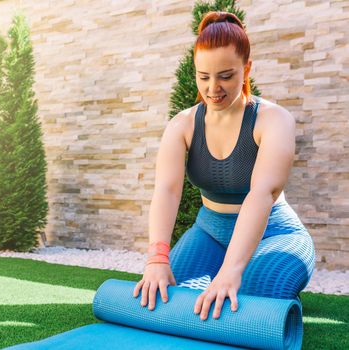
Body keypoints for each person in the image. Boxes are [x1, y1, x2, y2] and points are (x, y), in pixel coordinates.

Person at [132, 11, 315, 321]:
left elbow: (262, 193)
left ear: (247, 69)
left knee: (248, 298)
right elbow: (166, 190)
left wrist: (231, 270)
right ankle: (223, 272)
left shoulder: (274, 120)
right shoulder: (183, 125)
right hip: (210, 233)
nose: (213, 88)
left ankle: (256, 273)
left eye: (226, 75)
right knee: (165, 297)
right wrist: (157, 259)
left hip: (275, 234)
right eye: (203, 77)